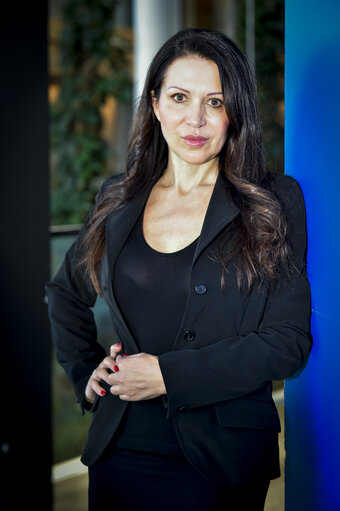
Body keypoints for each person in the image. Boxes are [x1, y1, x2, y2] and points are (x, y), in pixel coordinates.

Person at [46, 28, 312, 511]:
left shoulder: (273, 200)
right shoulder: (117, 197)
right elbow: (64, 294)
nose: (196, 119)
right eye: (179, 97)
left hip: (221, 461)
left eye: (215, 101)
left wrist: (168, 374)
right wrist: (88, 373)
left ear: (236, 110)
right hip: (120, 450)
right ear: (154, 104)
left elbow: (288, 344)